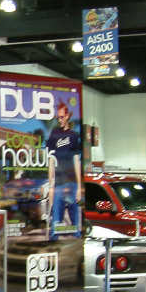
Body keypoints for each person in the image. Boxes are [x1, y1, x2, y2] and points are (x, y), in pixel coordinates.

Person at [46, 101, 82, 241]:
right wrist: (50, 185)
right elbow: (51, 161)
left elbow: (76, 160)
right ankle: (54, 247)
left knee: (75, 225)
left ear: (67, 116)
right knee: (56, 223)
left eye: (62, 117)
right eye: (58, 117)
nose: (59, 120)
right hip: (59, 183)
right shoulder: (54, 134)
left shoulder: (74, 136)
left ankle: (76, 246)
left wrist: (79, 187)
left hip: (72, 182)